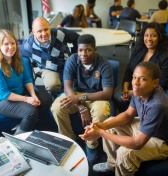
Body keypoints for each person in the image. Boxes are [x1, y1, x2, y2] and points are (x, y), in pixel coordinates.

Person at [80, 61, 168, 175]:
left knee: (124, 153)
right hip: (144, 126)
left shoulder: (157, 106)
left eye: (142, 79)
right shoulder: (139, 91)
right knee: (109, 123)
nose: (135, 83)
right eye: (134, 77)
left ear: (155, 83)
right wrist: (103, 126)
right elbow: (128, 115)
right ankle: (112, 165)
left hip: (161, 140)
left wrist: (101, 133)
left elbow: (137, 143)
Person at [51, 34, 114, 163]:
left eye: (88, 50)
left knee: (101, 111)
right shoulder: (72, 60)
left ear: (95, 50)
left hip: (97, 96)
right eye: (80, 50)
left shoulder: (104, 64)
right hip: (75, 94)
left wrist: (81, 97)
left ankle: (91, 145)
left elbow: (107, 93)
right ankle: (69, 140)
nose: (83, 54)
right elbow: (67, 87)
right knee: (57, 107)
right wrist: (81, 107)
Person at [0, 29, 52, 135]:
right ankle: (18, 137)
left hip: (19, 91)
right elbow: (4, 94)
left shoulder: (18, 58)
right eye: (6, 44)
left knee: (45, 100)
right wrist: (27, 99)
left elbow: (27, 79)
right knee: (30, 112)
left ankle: (34, 128)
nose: (11, 47)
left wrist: (33, 96)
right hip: (0, 100)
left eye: (12, 43)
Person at [113, 22, 168, 113]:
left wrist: (134, 93)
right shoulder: (139, 48)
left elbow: (162, 82)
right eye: (146, 35)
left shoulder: (165, 56)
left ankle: (138, 117)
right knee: (117, 95)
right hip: (134, 83)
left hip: (151, 88)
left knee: (139, 100)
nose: (149, 39)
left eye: (153, 36)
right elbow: (129, 69)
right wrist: (126, 89)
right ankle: (128, 116)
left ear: (160, 37)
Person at [19, 17, 79, 97]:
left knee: (77, 83)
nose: (44, 34)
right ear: (33, 32)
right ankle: (57, 98)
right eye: (39, 31)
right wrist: (31, 81)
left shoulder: (60, 33)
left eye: (46, 29)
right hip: (48, 68)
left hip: (66, 64)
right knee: (52, 85)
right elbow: (20, 54)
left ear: (49, 28)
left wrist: (74, 56)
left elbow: (78, 38)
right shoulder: (28, 45)